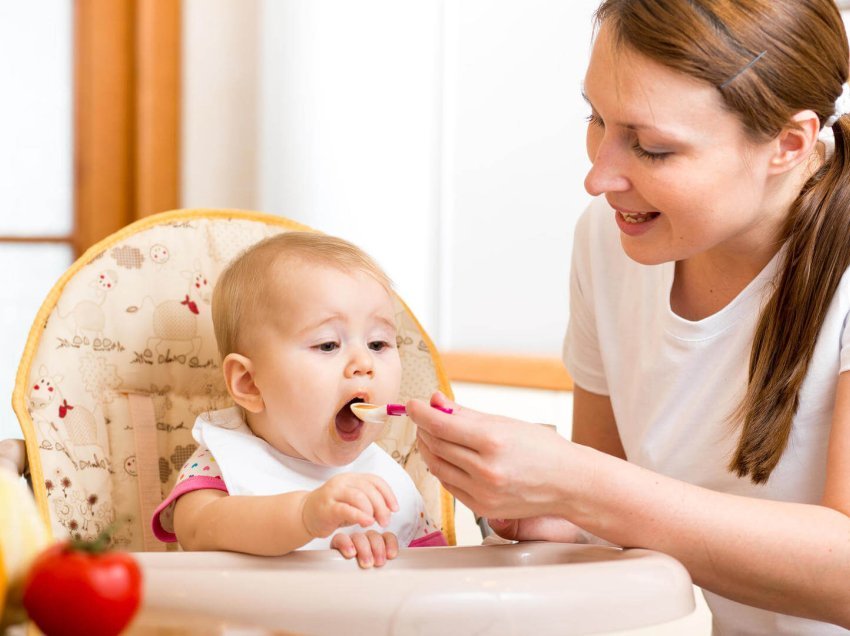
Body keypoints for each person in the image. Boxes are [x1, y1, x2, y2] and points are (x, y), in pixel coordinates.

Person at [408, 0, 850, 632]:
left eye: (652, 149)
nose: (598, 177)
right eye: (596, 118)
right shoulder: (613, 241)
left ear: (789, 142)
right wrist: (547, 510)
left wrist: (578, 484)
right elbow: (613, 524)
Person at [151, 232, 446, 567]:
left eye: (378, 344)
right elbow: (198, 529)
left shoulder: (387, 478)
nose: (364, 364)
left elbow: (433, 582)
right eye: (327, 345)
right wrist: (304, 516)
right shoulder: (224, 462)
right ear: (250, 383)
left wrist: (388, 557)